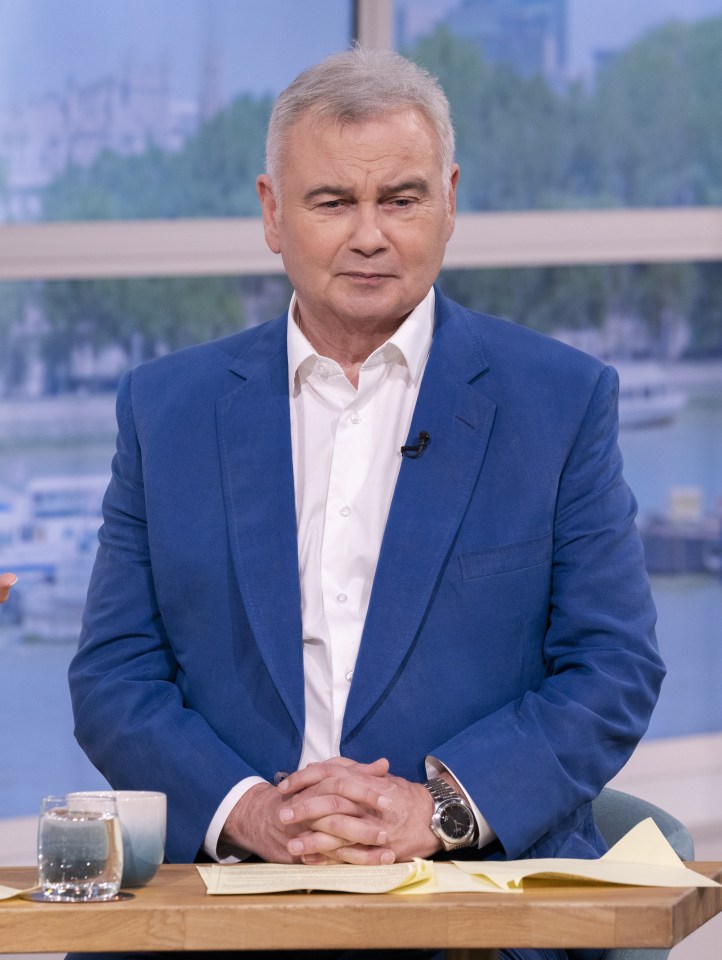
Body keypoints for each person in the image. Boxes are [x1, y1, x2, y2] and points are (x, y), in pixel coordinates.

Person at [68, 48, 665, 960]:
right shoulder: (166, 410)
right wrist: (252, 814)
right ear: (273, 213)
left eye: (401, 199)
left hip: (466, 909)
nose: (370, 235)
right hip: (227, 904)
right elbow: (113, 677)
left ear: (450, 201)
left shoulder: (561, 400)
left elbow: (613, 667)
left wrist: (437, 811)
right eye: (333, 202)